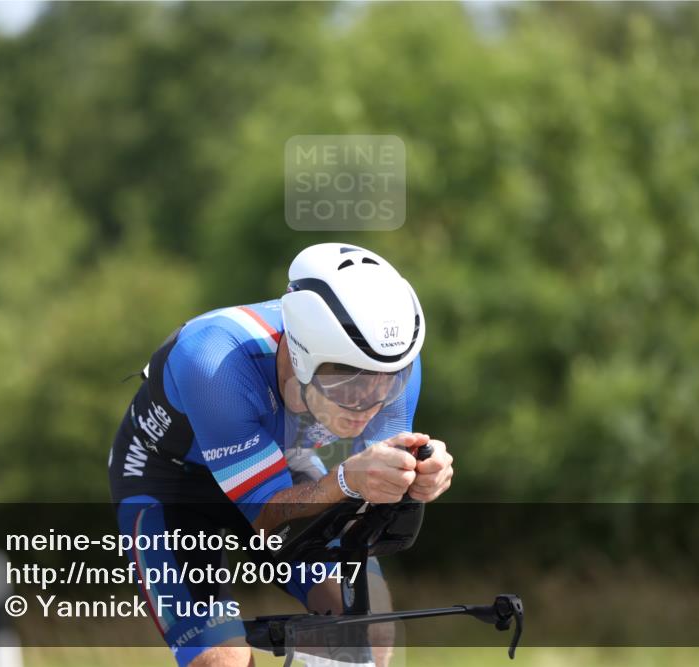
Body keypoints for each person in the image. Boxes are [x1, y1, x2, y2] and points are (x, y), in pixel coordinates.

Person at [108, 243, 454, 667]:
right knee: (222, 660)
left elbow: (369, 499)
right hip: (175, 486)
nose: (369, 401)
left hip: (289, 470)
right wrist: (348, 478)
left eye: (387, 382)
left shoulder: (395, 362)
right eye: (349, 381)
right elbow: (268, 520)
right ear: (303, 352)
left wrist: (415, 479)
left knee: (370, 632)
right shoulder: (214, 361)